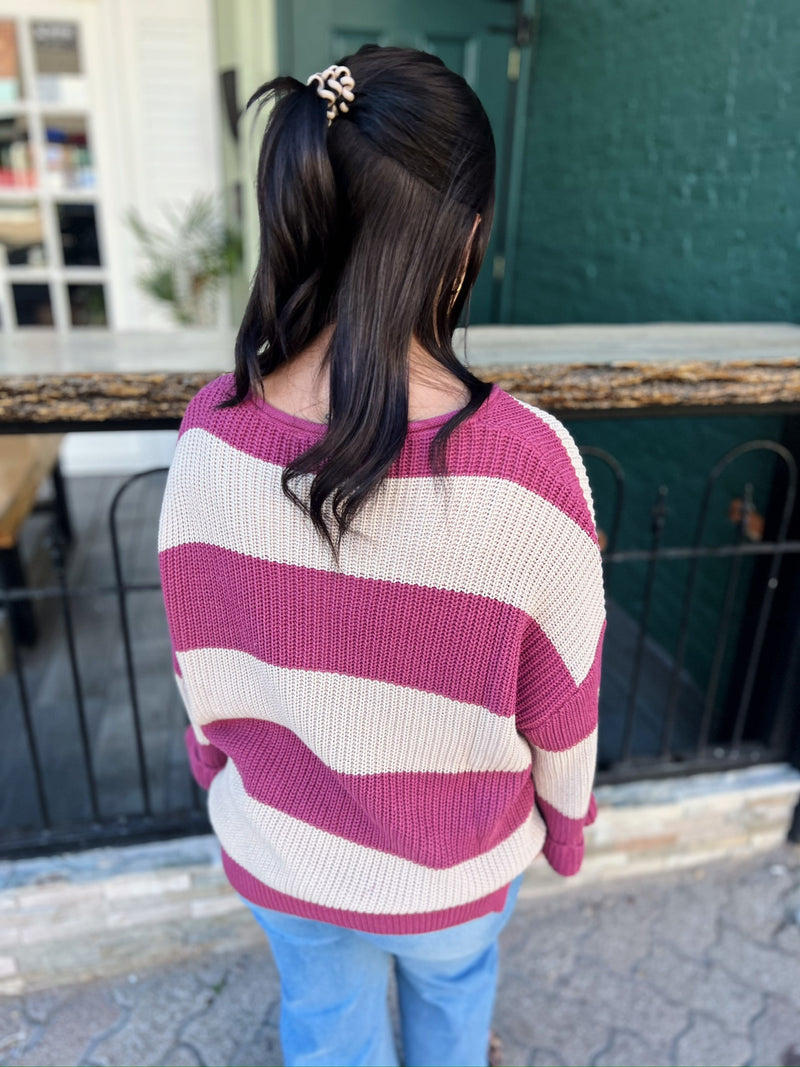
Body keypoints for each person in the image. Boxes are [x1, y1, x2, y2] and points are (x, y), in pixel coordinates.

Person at [158, 44, 605, 1067]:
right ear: (468, 235)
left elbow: (201, 670)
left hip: (279, 846)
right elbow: (562, 714)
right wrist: (565, 832)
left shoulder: (208, 436)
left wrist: (219, 768)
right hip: (456, 873)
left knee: (324, 1028)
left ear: (301, 204)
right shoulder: (532, 469)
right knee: (453, 1014)